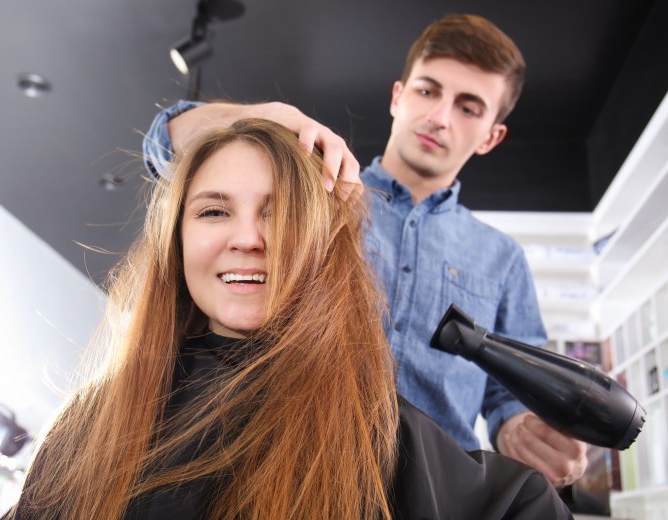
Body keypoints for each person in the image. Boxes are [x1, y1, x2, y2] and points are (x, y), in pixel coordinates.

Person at [5, 119, 570, 519]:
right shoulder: (93, 421)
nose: (248, 239)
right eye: (214, 211)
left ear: (320, 247)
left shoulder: (372, 434)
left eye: (279, 214)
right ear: (175, 242)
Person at [141, 14, 588, 487]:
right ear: (399, 96)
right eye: (428, 91)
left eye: (469, 107)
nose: (439, 117)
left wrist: (521, 427)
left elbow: (508, 396)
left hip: (437, 495)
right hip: (291, 475)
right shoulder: (317, 193)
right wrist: (263, 116)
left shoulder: (503, 259)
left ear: (491, 136)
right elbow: (161, 145)